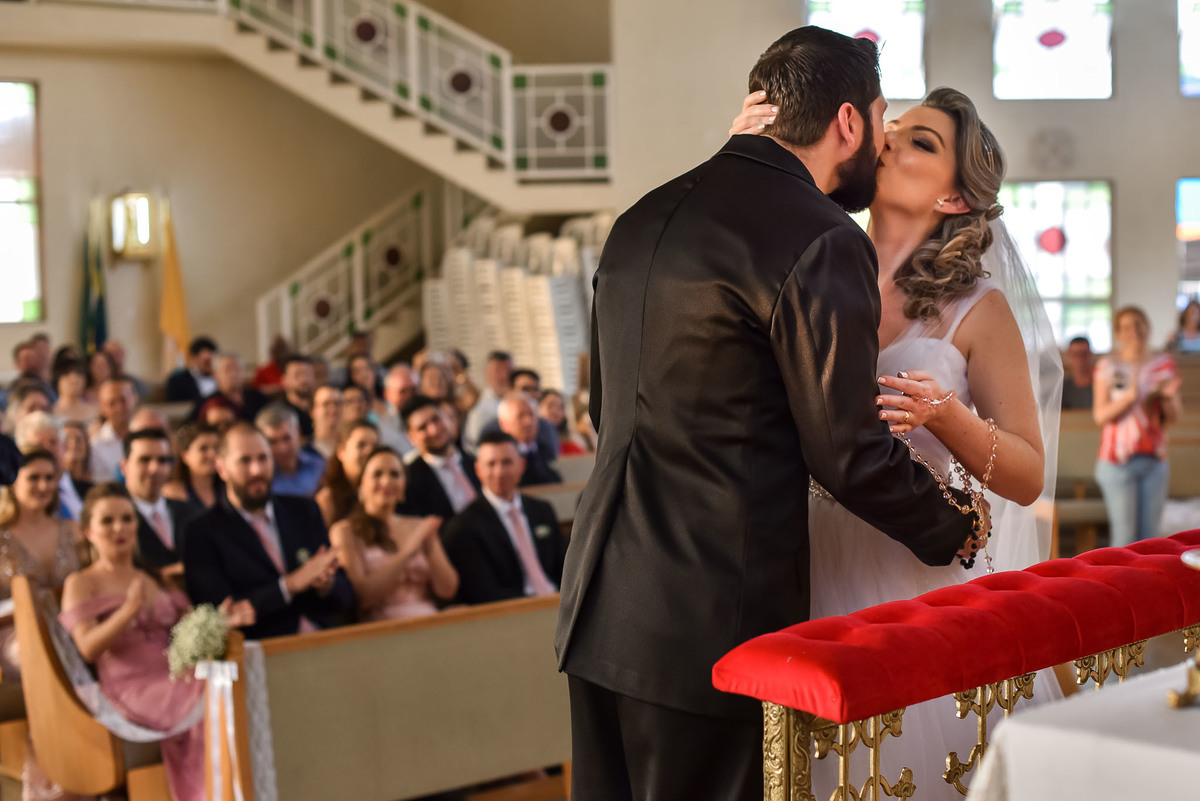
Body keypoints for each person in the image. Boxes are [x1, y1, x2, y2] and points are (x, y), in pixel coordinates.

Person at [556, 28, 990, 801]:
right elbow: (847, 449)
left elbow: (605, 411)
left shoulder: (643, 217)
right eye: (880, 122)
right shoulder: (819, 237)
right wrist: (953, 522)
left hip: (597, 603)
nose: (881, 145)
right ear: (849, 123)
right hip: (709, 619)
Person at [730, 84, 1061, 797]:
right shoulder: (813, 264)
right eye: (897, 128)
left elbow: (1029, 475)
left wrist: (951, 417)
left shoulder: (977, 307)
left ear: (953, 199)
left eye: (922, 142)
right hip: (802, 560)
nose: (891, 142)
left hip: (914, 572)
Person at [60, 483, 255, 801]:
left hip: (175, 673)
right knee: (211, 690)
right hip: (130, 685)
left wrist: (221, 620)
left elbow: (189, 627)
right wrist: (127, 611)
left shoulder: (153, 576)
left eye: (127, 518)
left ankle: (243, 787)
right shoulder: (82, 582)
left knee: (233, 679)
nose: (119, 528)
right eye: (107, 521)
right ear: (88, 531)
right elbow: (87, 648)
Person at [182, 423, 356, 639]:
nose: (257, 470)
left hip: (324, 640)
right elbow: (223, 613)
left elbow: (346, 594)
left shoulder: (304, 510)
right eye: (245, 461)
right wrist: (289, 585)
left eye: (263, 459)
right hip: (261, 651)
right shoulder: (202, 532)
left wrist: (326, 585)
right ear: (222, 468)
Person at [0, 450, 85, 801]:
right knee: (35, 653)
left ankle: (86, 761)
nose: (43, 486)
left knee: (80, 644)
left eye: (50, 478)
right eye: (34, 477)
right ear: (13, 482)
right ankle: (50, 768)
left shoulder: (74, 530)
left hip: (69, 627)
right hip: (14, 635)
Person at [328, 447, 457, 621]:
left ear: (404, 485)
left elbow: (448, 589)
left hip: (428, 619)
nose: (387, 481)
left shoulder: (418, 525)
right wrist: (408, 551)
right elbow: (362, 598)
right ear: (361, 484)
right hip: (381, 628)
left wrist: (430, 544)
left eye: (395, 474)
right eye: (377, 474)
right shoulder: (345, 531)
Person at [1093, 306, 1182, 546]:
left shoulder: (1163, 364)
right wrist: (1129, 398)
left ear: (1148, 327)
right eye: (1126, 326)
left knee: (1151, 539)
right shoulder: (1109, 366)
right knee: (1124, 538)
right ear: (1118, 334)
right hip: (1117, 462)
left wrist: (1168, 397)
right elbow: (1100, 416)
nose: (1134, 331)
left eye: (1139, 324)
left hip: (1155, 459)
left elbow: (1175, 416)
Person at [443, 432, 566, 605]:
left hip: (561, 601)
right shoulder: (463, 526)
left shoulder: (542, 510)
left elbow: (565, 566)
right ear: (478, 469)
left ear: (521, 465)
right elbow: (482, 593)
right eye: (491, 464)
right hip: (513, 613)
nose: (499, 472)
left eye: (507, 462)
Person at [121, 428, 195, 574]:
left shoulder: (191, 512)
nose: (155, 468)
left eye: (162, 460)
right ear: (124, 466)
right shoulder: (115, 520)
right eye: (145, 459)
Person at [399, 395, 480, 521]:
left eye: (436, 419)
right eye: (422, 427)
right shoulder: (409, 481)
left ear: (447, 418)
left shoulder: (476, 460)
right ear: (411, 437)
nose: (434, 430)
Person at [15, 411, 85, 522]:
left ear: (64, 446)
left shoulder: (88, 490)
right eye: (38, 445)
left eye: (53, 442)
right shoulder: (9, 500)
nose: (47, 450)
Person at [314, 419, 380, 526]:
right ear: (341, 452)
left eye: (375, 446)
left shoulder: (383, 493)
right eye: (361, 445)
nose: (370, 451)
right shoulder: (329, 499)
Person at [256, 403, 325, 497]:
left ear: (298, 434)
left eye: (287, 438)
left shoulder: (319, 466)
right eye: (273, 442)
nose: (282, 448)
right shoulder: (259, 479)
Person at [496, 394, 562, 486]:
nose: (528, 422)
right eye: (520, 416)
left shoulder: (546, 450)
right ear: (503, 424)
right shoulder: (499, 456)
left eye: (531, 415)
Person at [163, 423, 225, 510]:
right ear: (186, 456)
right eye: (203, 448)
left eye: (216, 448)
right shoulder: (172, 494)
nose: (212, 454)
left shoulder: (228, 491)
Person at [462, 351, 514, 454]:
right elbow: (474, 442)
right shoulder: (478, 403)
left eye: (508, 370)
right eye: (497, 370)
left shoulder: (520, 400)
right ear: (487, 373)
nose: (503, 375)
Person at [90, 376, 137, 482]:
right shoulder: (96, 445)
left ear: (134, 399)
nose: (119, 408)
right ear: (102, 408)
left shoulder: (147, 432)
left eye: (123, 400)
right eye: (112, 403)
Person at [376, 365, 417, 457]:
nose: (409, 396)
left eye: (413, 389)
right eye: (403, 391)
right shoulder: (382, 431)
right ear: (387, 394)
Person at [165, 336, 219, 403]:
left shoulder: (222, 379)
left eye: (213, 361)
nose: (210, 365)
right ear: (193, 358)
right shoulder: (178, 382)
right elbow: (174, 408)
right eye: (206, 362)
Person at [540, 389, 588, 456]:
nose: (556, 411)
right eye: (551, 405)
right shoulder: (533, 443)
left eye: (561, 407)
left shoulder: (571, 443)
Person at [280, 355, 316, 439]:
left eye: (308, 374)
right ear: (284, 380)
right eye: (297, 375)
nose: (304, 380)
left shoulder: (320, 409)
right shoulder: (279, 414)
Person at [53, 358, 98, 424]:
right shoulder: (50, 412)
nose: (74, 379)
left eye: (79, 375)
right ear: (58, 380)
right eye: (67, 375)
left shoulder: (95, 411)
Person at [347, 354, 387, 420]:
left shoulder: (388, 398)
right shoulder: (354, 409)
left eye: (367, 368)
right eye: (358, 371)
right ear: (352, 377)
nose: (364, 374)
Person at [1061, 336, 1096, 410]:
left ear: (1091, 355)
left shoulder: (1101, 386)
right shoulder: (1062, 388)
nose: (1079, 359)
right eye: (1075, 354)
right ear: (1068, 357)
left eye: (1084, 354)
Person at [309, 385, 343, 460]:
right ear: (312, 411)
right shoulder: (304, 453)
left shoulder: (351, 450)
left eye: (337, 404)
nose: (333, 409)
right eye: (326, 404)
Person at [61, 420, 93, 499]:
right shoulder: (54, 484)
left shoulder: (94, 486)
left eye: (78, 439)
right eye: (67, 439)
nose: (73, 444)